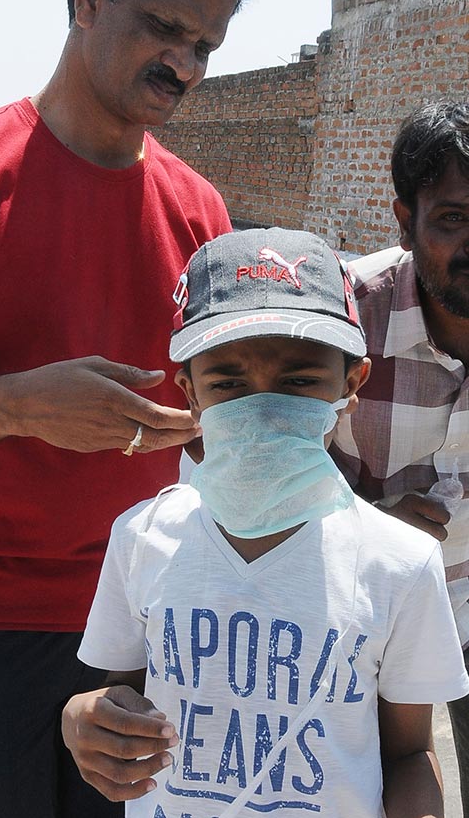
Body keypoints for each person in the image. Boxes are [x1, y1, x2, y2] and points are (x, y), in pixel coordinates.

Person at [0, 0, 263, 816]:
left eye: (205, 45)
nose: (187, 65)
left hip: (145, 622)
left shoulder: (201, 212)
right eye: (166, 28)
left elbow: (222, 422)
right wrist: (17, 406)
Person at [62, 226, 469, 818]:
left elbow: (407, 752)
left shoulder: (400, 563)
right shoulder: (141, 537)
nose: (263, 403)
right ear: (190, 393)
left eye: (300, 380)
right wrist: (86, 717)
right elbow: (118, 690)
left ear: (351, 384)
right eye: (228, 381)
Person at [329, 100, 469, 815]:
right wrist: (371, 525)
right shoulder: (344, 320)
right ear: (403, 219)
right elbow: (257, 472)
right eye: (452, 218)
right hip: (356, 618)